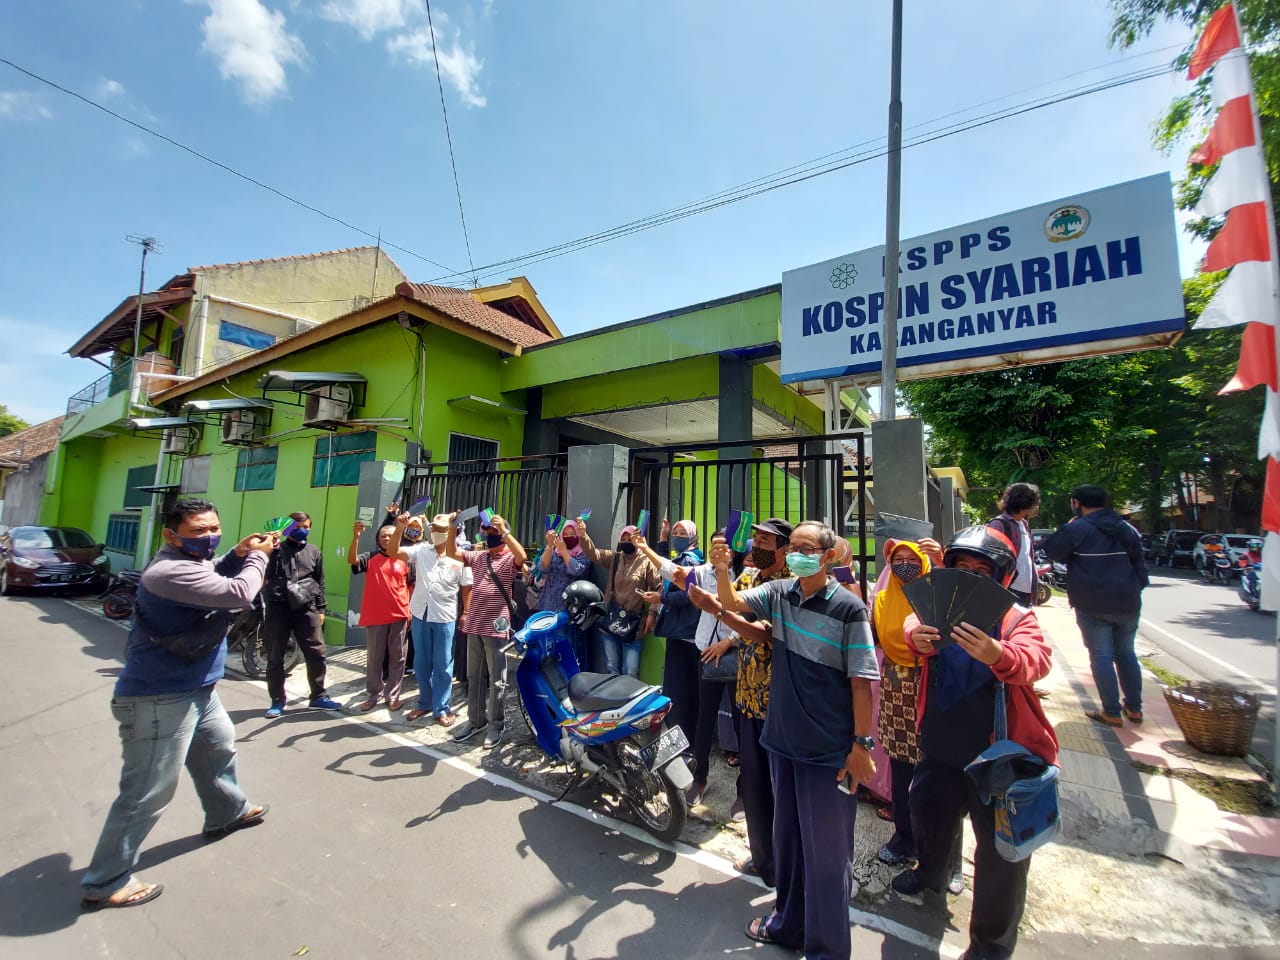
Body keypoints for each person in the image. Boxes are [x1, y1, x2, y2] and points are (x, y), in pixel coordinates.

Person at [80, 498, 273, 910]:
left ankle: (227, 811)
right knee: (147, 790)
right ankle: (105, 879)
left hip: (196, 688)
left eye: (214, 529)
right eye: (198, 531)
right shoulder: (169, 571)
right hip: (159, 695)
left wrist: (235, 554)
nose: (209, 537)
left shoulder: (191, 563)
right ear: (171, 534)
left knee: (218, 749)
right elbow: (238, 593)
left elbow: (211, 571)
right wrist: (257, 558)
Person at [892, 525, 1057, 960]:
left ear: (1000, 577)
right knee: (928, 814)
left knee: (1001, 857)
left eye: (980, 570)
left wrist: (998, 654)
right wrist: (916, 637)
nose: (967, 576)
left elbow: (1036, 659)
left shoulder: (1014, 618)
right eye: (960, 567)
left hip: (997, 756)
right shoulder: (937, 608)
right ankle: (931, 873)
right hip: (941, 743)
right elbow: (911, 623)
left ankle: (990, 945)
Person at [717, 520, 877, 960]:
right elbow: (731, 603)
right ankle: (787, 924)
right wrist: (720, 568)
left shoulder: (848, 609)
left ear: (827, 556)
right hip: (781, 742)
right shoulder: (780, 594)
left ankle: (827, 949)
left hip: (827, 752)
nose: (796, 553)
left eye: (807, 547)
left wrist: (862, 746)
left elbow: (862, 681)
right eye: (793, 547)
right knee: (788, 845)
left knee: (826, 857)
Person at [688, 518, 793, 887]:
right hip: (747, 695)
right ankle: (763, 857)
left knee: (782, 789)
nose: (758, 545)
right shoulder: (748, 577)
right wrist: (719, 570)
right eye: (757, 539)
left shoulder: (790, 584)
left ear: (784, 548)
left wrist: (719, 610)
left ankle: (785, 861)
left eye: (767, 540)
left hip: (779, 702)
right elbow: (726, 601)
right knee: (755, 784)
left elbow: (761, 631)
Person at [1044, 484, 1148, 726]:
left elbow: (1053, 550)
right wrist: (1134, 589)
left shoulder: (1078, 528)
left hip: (1092, 602)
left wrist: (1068, 527)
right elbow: (1140, 564)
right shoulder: (1126, 528)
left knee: (1101, 654)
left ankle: (1111, 711)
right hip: (1128, 602)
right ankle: (1134, 709)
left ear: (1076, 503)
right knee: (1126, 653)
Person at [446, 511, 527, 749]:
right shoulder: (479, 557)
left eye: (495, 532)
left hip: (496, 626)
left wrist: (506, 532)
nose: (490, 536)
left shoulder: (508, 558)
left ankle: (495, 725)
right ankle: (476, 720)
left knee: (497, 679)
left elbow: (522, 556)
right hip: (475, 623)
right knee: (474, 676)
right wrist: (454, 527)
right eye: (488, 532)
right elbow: (452, 552)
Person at [388, 513, 472, 726]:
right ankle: (424, 702)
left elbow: (466, 588)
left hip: (444, 616)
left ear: (450, 532)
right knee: (422, 662)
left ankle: (441, 707)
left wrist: (465, 613)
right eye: (434, 528)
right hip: (420, 614)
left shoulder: (460, 557)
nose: (436, 532)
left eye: (442, 529)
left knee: (443, 664)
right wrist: (399, 528)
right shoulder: (422, 550)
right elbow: (393, 551)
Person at [643, 519, 704, 781]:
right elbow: (666, 566)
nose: (678, 537)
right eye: (676, 533)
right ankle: (683, 743)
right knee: (680, 693)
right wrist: (663, 538)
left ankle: (683, 746)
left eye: (682, 533)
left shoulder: (689, 561)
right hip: (681, 634)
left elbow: (688, 594)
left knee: (679, 693)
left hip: (685, 636)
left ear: (694, 538)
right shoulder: (685, 558)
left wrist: (661, 599)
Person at [262, 511, 340, 718]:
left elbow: (320, 580)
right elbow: (260, 568)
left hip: (307, 607)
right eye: (296, 527)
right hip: (278, 608)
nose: (301, 530)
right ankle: (277, 699)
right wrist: (270, 543)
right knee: (275, 654)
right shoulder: (275, 550)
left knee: (316, 652)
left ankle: (318, 695)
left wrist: (321, 608)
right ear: (287, 528)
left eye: (305, 526)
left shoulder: (314, 551)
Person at [576, 519, 660, 676]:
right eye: (624, 539)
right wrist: (583, 536)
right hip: (611, 620)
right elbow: (593, 554)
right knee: (612, 667)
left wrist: (652, 614)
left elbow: (658, 588)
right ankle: (615, 700)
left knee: (631, 670)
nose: (627, 542)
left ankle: (630, 699)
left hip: (633, 625)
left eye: (631, 540)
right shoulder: (615, 558)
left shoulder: (646, 562)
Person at [348, 514, 411, 713]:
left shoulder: (405, 558)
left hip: (399, 615)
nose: (386, 538)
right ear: (378, 539)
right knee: (374, 658)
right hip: (375, 616)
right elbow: (353, 561)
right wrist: (356, 537)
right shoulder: (371, 557)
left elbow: (410, 585)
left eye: (390, 535)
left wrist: (408, 610)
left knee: (398, 657)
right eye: (383, 535)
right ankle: (374, 694)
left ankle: (393, 695)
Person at [988, 482, 1041, 606]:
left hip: (1026, 591)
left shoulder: (1024, 524)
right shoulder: (999, 524)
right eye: (1035, 503)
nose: (1037, 507)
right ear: (1025, 503)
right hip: (1009, 590)